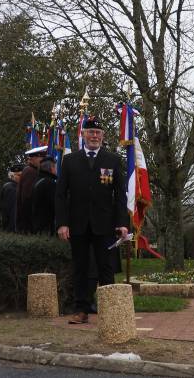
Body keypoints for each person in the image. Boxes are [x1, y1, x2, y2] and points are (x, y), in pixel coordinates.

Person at [55, 117, 129, 324]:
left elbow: (120, 195)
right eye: (91, 132)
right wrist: (62, 223)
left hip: (104, 224)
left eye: (98, 132)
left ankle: (110, 310)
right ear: (83, 135)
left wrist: (122, 223)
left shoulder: (112, 160)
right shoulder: (70, 161)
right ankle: (82, 310)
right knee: (80, 267)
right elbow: (60, 194)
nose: (94, 136)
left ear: (102, 136)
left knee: (106, 268)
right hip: (77, 223)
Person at [16, 146, 48, 233]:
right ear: (33, 158)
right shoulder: (31, 172)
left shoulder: (30, 170)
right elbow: (27, 198)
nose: (44, 161)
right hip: (30, 224)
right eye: (42, 158)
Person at [31, 156, 57, 236]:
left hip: (38, 226)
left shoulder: (38, 180)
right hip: (47, 229)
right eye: (55, 167)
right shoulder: (49, 183)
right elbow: (55, 205)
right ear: (51, 168)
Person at [0, 163, 24, 232]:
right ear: (12, 176)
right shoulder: (12, 189)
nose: (21, 177)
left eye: (22, 175)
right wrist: (15, 230)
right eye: (19, 175)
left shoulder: (9, 186)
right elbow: (13, 211)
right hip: (13, 230)